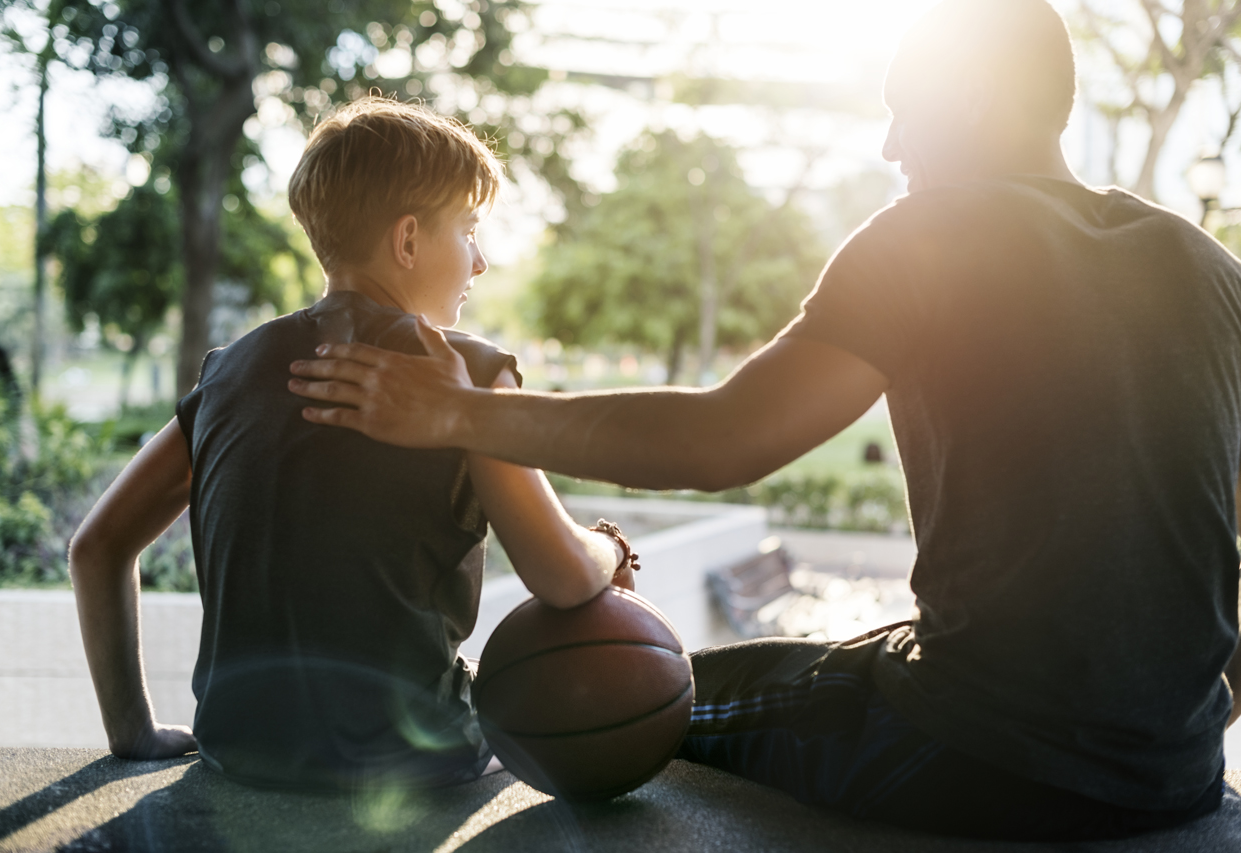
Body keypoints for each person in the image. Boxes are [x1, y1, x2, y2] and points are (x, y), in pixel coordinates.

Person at [288, 0, 1241, 840]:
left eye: (906, 111)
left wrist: (460, 413)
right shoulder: (1207, 268)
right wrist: (1177, 734)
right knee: (799, 661)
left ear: (977, 101)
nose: (891, 147)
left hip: (978, 756)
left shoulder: (934, 233)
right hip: (1180, 775)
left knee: (640, 690)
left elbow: (721, 437)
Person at [68, 98, 635, 792]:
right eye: (468, 229)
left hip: (236, 751)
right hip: (409, 762)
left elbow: (96, 548)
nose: (481, 262)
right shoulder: (471, 375)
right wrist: (611, 549)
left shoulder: (228, 373)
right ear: (407, 241)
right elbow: (564, 577)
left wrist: (134, 734)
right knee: (602, 663)